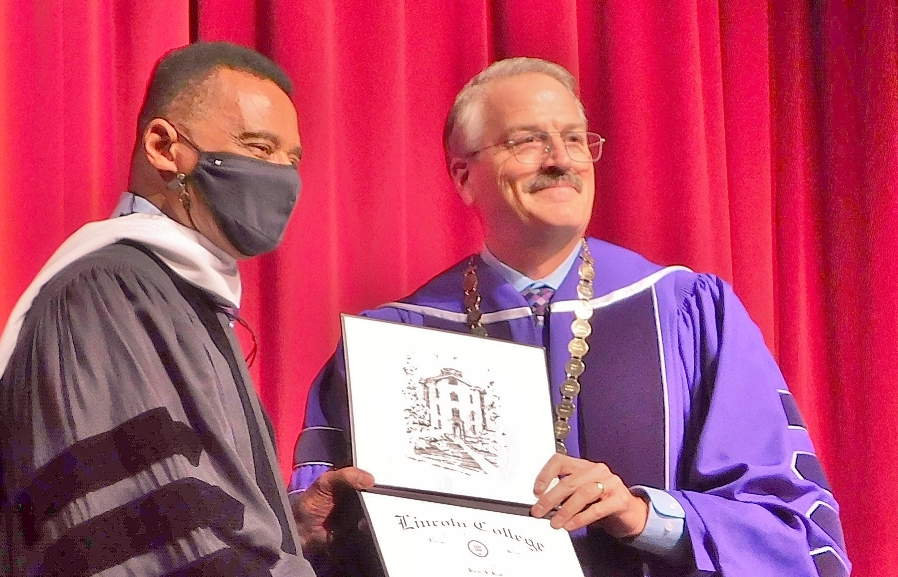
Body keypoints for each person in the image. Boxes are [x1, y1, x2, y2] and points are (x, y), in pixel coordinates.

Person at [288, 58, 850, 577]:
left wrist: (643, 515)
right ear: (463, 176)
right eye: (527, 142)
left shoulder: (688, 313)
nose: (560, 160)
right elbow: (312, 536)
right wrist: (313, 527)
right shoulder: (393, 340)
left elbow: (793, 534)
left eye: (575, 139)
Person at [0, 42, 315, 577]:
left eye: (292, 160)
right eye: (259, 148)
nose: (282, 175)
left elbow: (197, 512)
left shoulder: (186, 300)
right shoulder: (107, 295)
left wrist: (299, 533)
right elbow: (146, 538)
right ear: (163, 147)